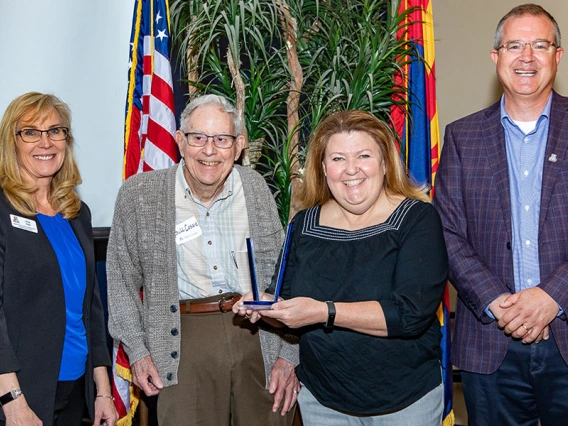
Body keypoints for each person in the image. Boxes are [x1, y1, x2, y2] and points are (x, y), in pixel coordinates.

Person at [235, 110, 448, 425]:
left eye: (363, 155)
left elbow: (410, 315)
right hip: (323, 402)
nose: (351, 170)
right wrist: (266, 305)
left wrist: (325, 311)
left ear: (386, 162)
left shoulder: (417, 219)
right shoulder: (303, 224)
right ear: (322, 168)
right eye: (337, 159)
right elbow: (290, 307)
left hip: (405, 403)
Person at [106, 94, 299, 425]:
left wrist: (288, 354)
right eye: (198, 138)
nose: (209, 150)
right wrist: (138, 352)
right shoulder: (139, 194)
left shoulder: (253, 187)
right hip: (181, 342)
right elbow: (120, 280)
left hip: (259, 336)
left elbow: (283, 274)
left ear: (238, 146)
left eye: (222, 139)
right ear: (180, 141)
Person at [434, 4, 568, 425]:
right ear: (496, 58)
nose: (526, 56)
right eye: (514, 45)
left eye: (539, 45)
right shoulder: (461, 136)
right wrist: (498, 303)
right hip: (490, 340)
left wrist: (552, 297)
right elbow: (446, 232)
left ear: (557, 56)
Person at [0, 92, 117, 426]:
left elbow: (91, 310)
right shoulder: (2, 209)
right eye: (31, 132)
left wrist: (103, 391)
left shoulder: (76, 213)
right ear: (13, 142)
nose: (45, 142)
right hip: (21, 392)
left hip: (73, 388)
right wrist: (12, 402)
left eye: (55, 131)